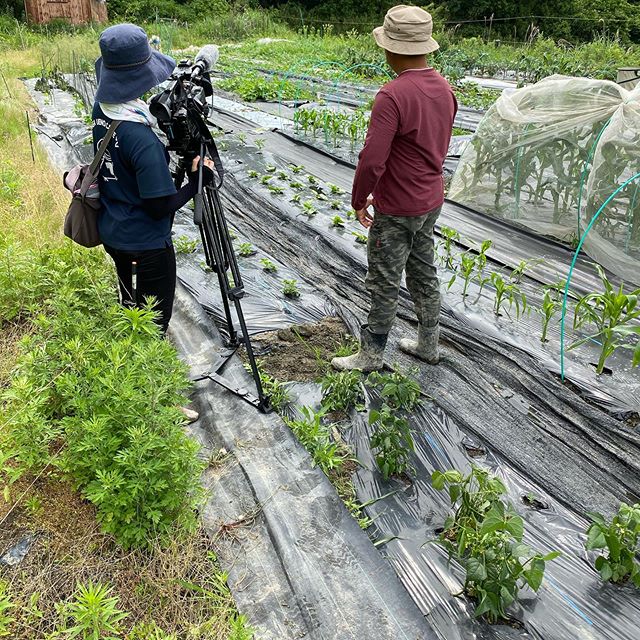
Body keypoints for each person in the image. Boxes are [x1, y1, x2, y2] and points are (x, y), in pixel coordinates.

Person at [93, 23, 213, 422]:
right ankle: (153, 403)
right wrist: (198, 181)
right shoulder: (140, 138)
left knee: (131, 307)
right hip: (144, 244)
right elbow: (161, 206)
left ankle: (129, 378)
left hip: (114, 231)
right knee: (153, 321)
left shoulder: (104, 110)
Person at [332, 5, 457, 373]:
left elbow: (373, 159)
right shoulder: (445, 89)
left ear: (390, 49)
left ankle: (370, 355)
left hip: (399, 207)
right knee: (423, 271)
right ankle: (427, 344)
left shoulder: (392, 94)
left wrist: (360, 198)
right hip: (431, 200)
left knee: (384, 280)